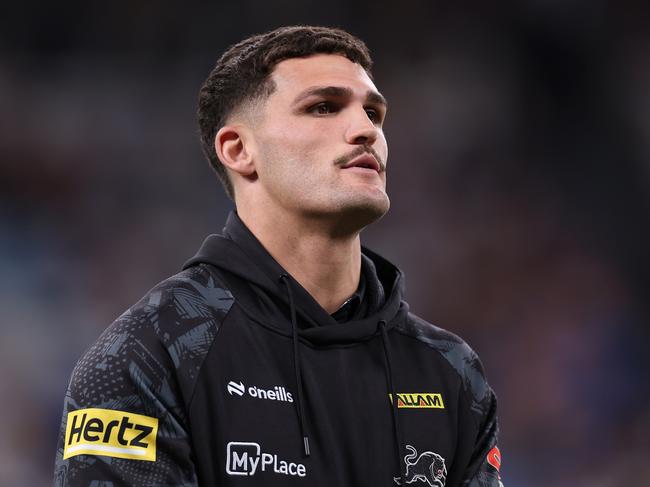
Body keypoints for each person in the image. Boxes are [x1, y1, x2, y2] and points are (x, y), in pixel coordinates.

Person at [53, 25, 503, 486]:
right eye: (323, 107)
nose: (366, 130)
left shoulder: (451, 371)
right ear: (238, 149)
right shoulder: (149, 353)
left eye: (374, 112)